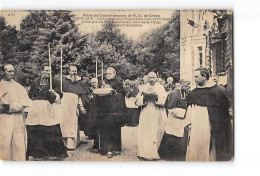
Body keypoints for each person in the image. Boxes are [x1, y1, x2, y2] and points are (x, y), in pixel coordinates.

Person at [185, 67, 232, 161]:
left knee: (210, 146)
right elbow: (190, 109)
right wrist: (188, 122)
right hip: (196, 126)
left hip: (211, 126)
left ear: (204, 76)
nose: (195, 79)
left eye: (196, 76)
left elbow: (224, 112)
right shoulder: (194, 92)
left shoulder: (217, 91)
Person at [26, 63, 67, 160]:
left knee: (51, 129)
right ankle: (38, 153)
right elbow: (31, 94)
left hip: (48, 108)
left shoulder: (54, 81)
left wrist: (54, 93)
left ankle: (55, 153)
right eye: (46, 70)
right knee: (36, 129)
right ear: (41, 71)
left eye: (49, 70)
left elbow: (59, 96)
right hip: (36, 108)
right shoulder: (36, 81)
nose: (48, 72)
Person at [88, 67, 127, 158]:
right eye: (107, 74)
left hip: (114, 111)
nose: (108, 75)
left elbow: (121, 96)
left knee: (113, 129)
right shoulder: (103, 82)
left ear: (114, 74)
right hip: (104, 110)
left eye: (110, 73)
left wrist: (114, 93)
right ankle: (104, 148)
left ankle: (114, 149)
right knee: (103, 129)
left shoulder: (118, 84)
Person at [0, 64, 31, 161]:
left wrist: (10, 107)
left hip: (17, 117)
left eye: (13, 71)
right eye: (9, 71)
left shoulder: (18, 87)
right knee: (4, 142)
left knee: (18, 143)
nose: (12, 73)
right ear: (2, 72)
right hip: (3, 119)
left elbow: (25, 102)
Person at [135, 72, 167, 160]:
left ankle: (155, 153)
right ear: (147, 78)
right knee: (145, 132)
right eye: (150, 78)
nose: (152, 79)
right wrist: (144, 98)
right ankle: (144, 153)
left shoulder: (160, 87)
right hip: (146, 112)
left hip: (157, 112)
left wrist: (156, 97)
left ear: (156, 78)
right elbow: (136, 101)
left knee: (156, 131)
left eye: (153, 77)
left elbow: (165, 100)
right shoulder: (143, 87)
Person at [59, 65, 91, 150]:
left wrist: (81, 106)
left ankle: (73, 144)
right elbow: (60, 94)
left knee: (73, 124)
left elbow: (82, 96)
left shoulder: (80, 82)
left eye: (75, 71)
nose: (74, 72)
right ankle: (64, 144)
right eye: (72, 71)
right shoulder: (64, 81)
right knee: (64, 124)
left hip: (74, 105)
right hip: (65, 106)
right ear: (69, 72)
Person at [158, 79, 191, 161]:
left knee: (181, 136)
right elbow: (171, 108)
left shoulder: (187, 92)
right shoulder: (174, 94)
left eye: (189, 85)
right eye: (187, 84)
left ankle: (180, 156)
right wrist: (185, 112)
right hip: (174, 119)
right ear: (181, 83)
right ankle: (169, 156)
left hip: (183, 120)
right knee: (173, 136)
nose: (188, 87)